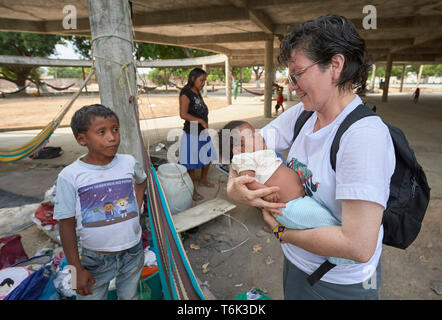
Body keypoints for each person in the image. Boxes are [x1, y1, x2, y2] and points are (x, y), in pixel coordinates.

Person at [226, 14, 395, 300]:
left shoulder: (364, 137)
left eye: (298, 74)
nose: (291, 86)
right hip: (297, 264)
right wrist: (234, 189)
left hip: (337, 285)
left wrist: (282, 233)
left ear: (335, 66)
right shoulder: (304, 114)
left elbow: (358, 246)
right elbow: (245, 146)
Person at [221, 120, 356, 266]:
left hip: (299, 201)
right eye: (252, 136)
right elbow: (246, 181)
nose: (259, 135)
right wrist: (264, 192)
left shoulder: (261, 153)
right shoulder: (244, 158)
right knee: (324, 221)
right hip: (288, 207)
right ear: (238, 149)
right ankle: (343, 255)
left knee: (323, 220)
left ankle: (341, 249)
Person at [54, 104, 147, 300]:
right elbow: (66, 224)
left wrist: (136, 209)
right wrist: (75, 268)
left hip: (133, 251)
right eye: (101, 132)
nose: (112, 137)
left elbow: (142, 180)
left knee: (130, 296)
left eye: (115, 129)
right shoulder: (70, 175)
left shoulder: (128, 162)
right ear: (82, 139)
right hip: (96, 259)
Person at [178, 67, 218, 201]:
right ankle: (192, 190)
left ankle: (203, 180)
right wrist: (200, 120)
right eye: (201, 80)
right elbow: (183, 114)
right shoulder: (186, 93)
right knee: (191, 162)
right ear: (193, 79)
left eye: (205, 81)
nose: (203, 83)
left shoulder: (197, 92)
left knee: (208, 156)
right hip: (192, 132)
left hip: (202, 131)